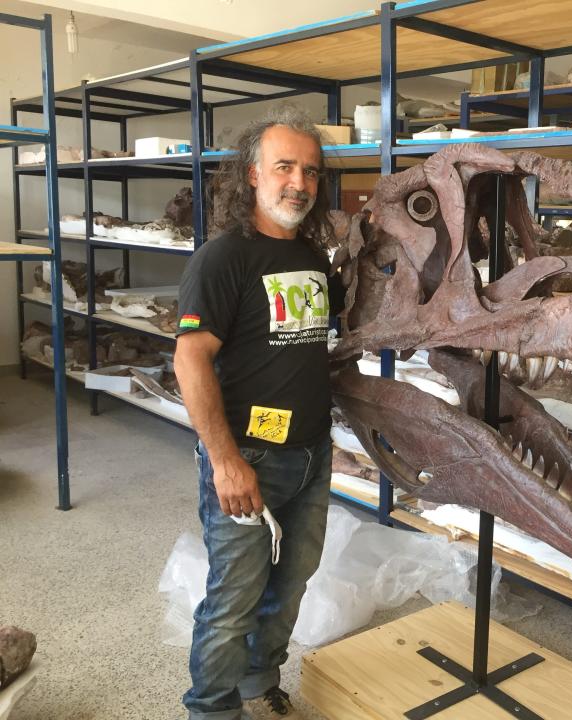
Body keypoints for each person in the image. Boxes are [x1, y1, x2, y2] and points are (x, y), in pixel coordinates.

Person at [175, 106, 343, 720]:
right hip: (246, 456)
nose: (299, 182)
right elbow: (190, 361)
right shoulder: (222, 260)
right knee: (233, 598)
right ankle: (212, 709)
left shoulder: (316, 261)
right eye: (284, 167)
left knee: (290, 585)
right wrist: (224, 461)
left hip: (310, 455)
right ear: (252, 174)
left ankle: (256, 680)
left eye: (311, 171)